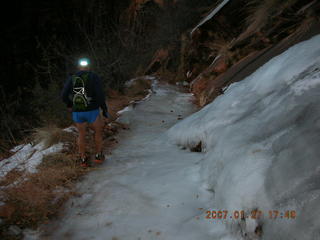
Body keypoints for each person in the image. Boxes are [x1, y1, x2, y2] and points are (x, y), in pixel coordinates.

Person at [62, 57, 109, 167]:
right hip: (92, 111)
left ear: (79, 67)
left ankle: (83, 159)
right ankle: (98, 156)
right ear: (89, 67)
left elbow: (63, 95)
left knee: (81, 135)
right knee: (98, 133)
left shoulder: (72, 78)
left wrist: (70, 104)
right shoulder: (94, 77)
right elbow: (100, 95)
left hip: (78, 111)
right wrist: (104, 110)